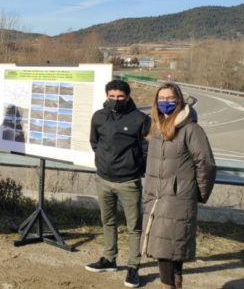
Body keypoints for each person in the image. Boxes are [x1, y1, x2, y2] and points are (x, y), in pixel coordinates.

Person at [141, 82, 216, 289]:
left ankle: (168, 285)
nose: (165, 102)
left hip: (176, 198)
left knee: (165, 249)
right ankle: (175, 284)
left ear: (179, 100)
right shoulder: (156, 127)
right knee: (169, 249)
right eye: (161, 98)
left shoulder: (191, 129)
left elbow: (206, 164)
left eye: (170, 98)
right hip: (156, 197)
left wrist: (197, 193)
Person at [85, 80, 150, 288]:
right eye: (112, 96)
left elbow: (146, 149)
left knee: (134, 227)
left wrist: (135, 168)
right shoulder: (99, 116)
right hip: (103, 179)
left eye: (120, 97)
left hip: (129, 181)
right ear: (107, 96)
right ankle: (109, 259)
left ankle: (133, 267)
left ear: (128, 96)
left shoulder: (141, 119)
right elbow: (94, 142)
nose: (116, 100)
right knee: (108, 221)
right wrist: (104, 162)